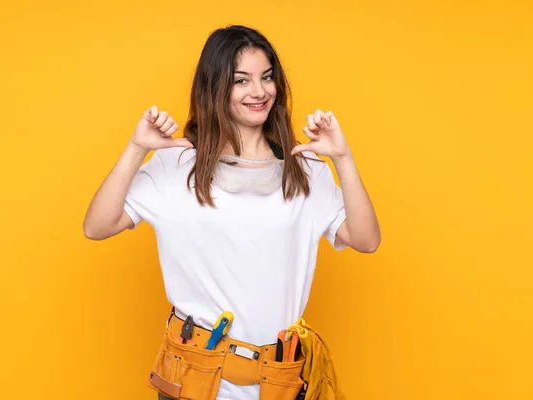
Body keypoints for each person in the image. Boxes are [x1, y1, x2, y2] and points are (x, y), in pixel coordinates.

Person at [83, 25, 380, 400]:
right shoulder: (175, 165)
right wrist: (136, 149)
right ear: (214, 87)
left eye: (267, 77)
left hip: (280, 380)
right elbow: (97, 226)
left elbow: (367, 240)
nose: (259, 91)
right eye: (242, 80)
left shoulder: (305, 169)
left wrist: (343, 159)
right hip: (196, 377)